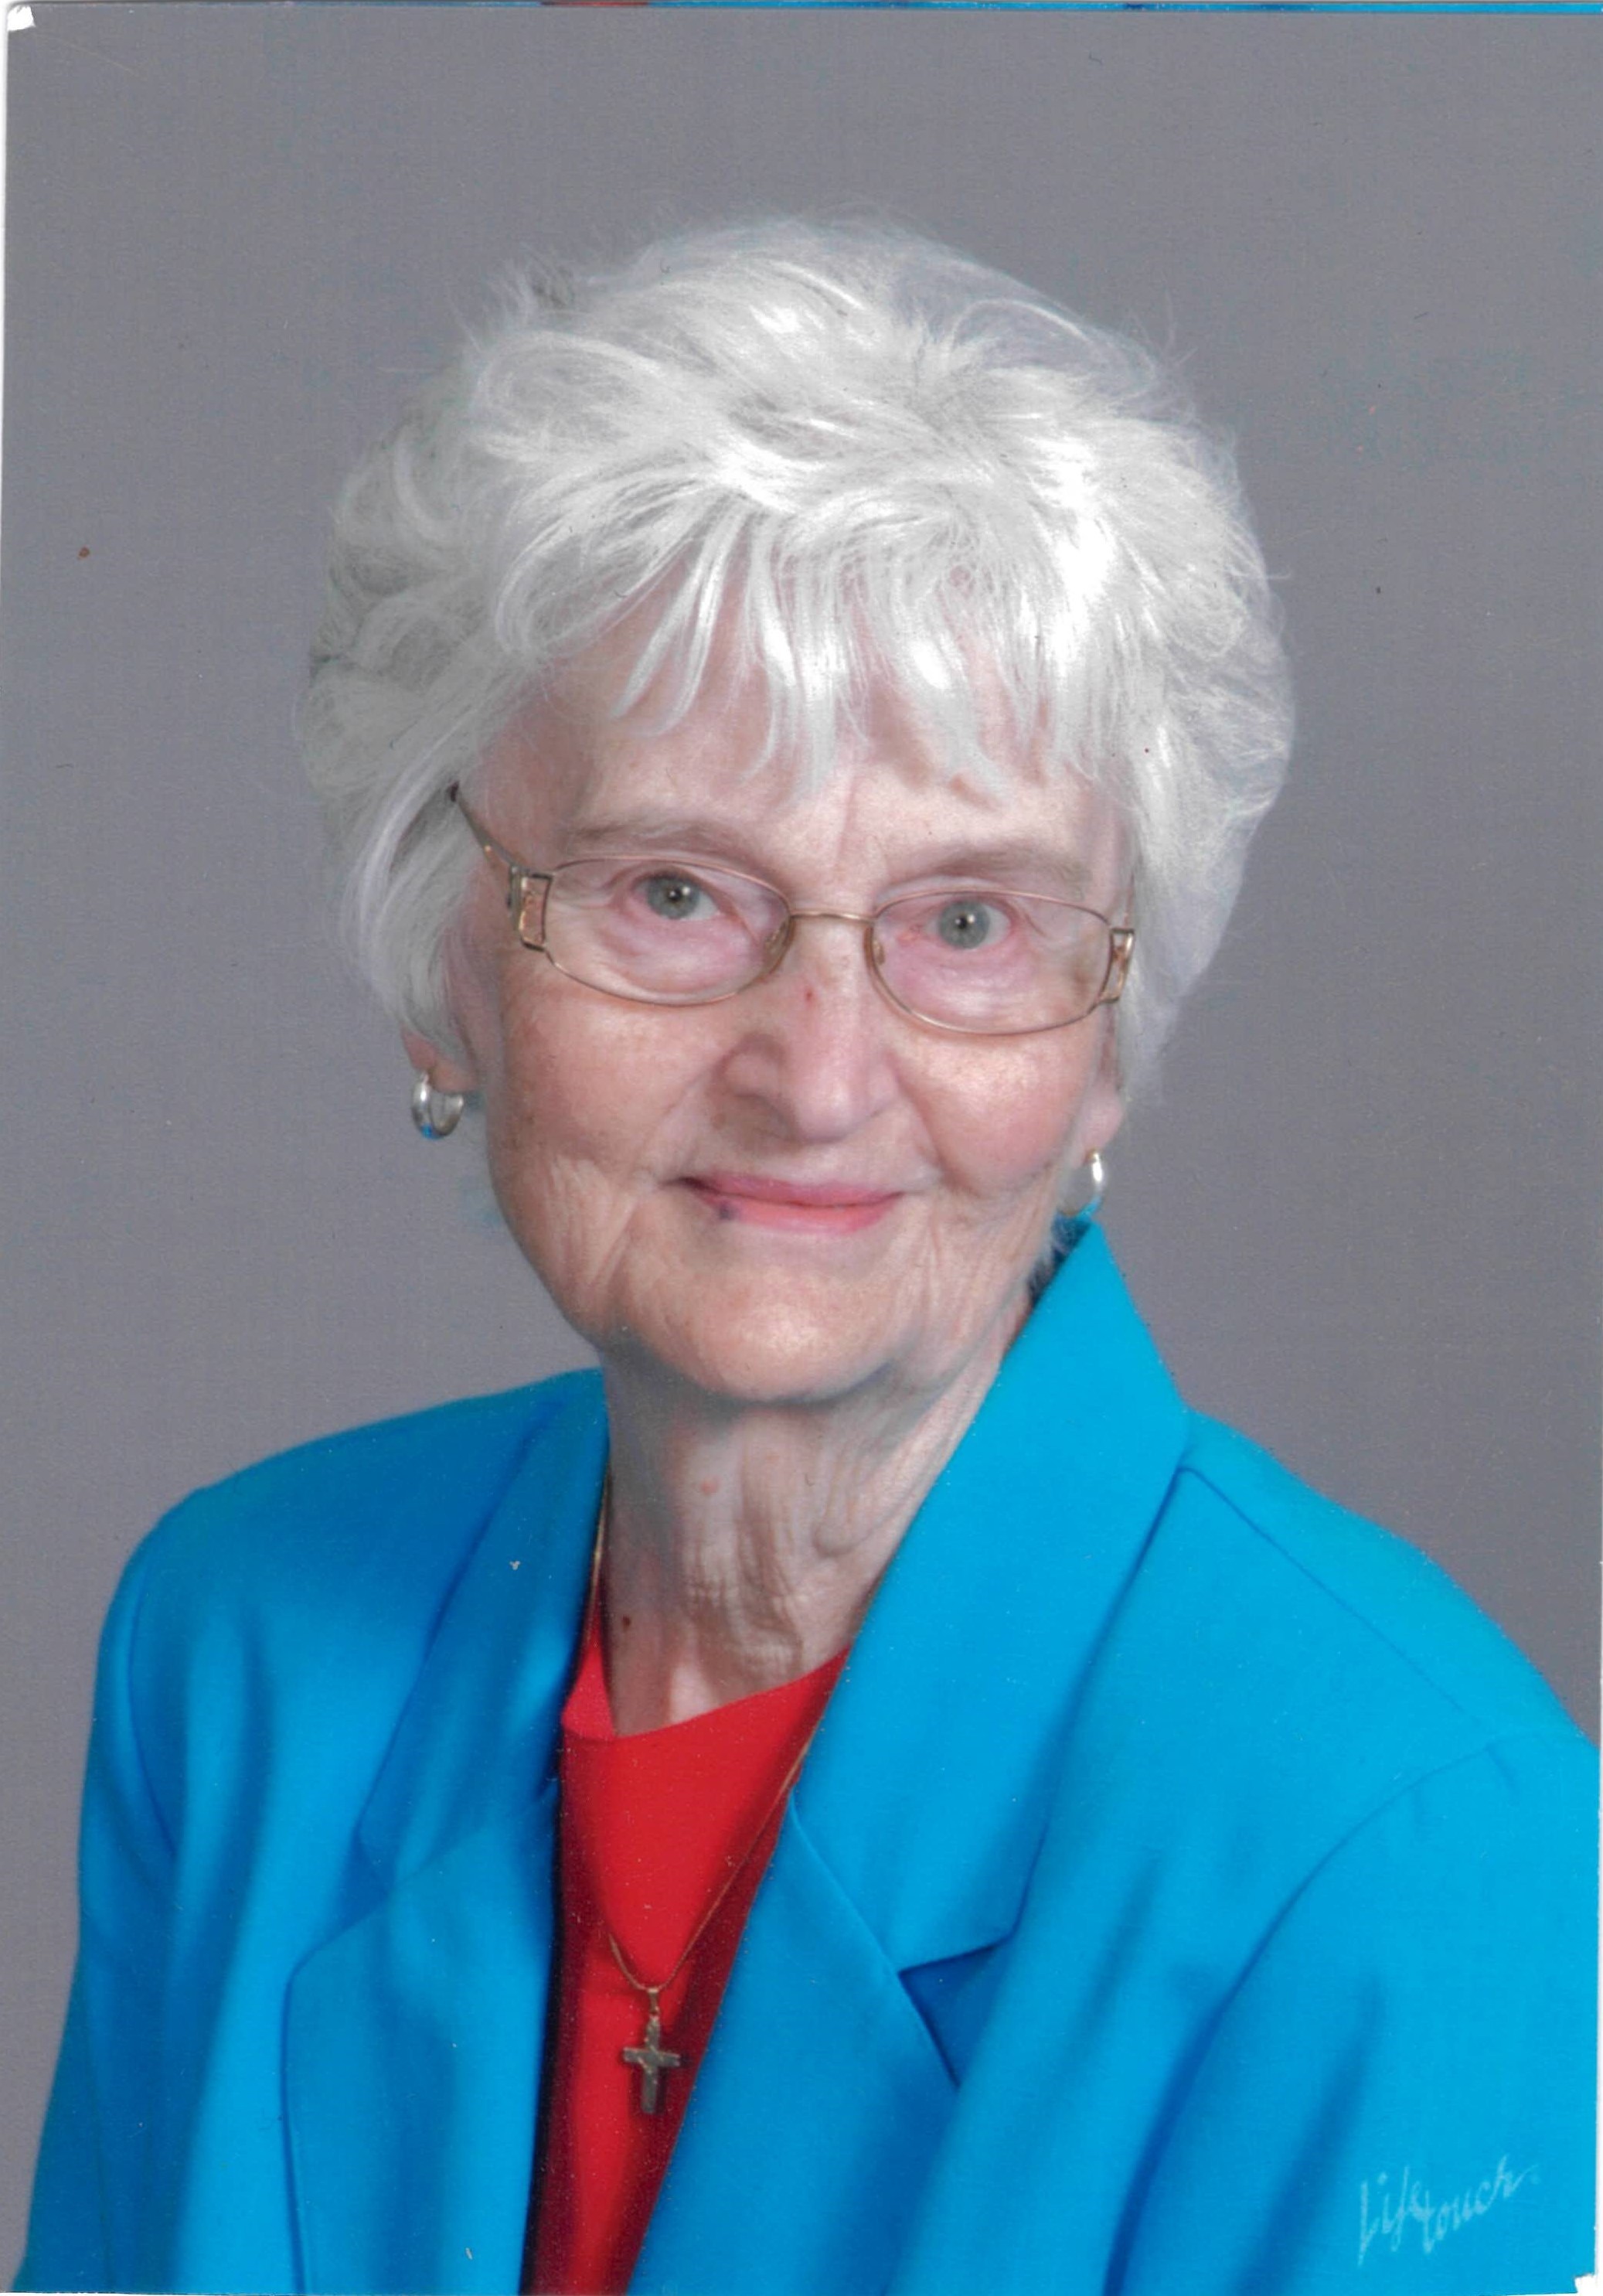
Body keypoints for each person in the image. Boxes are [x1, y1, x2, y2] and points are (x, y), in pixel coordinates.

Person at [18, 220, 1594, 2296]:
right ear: (447, 963)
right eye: (675, 891)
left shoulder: (1406, 1845)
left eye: (967, 923)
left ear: (1104, 1041)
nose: (819, 1075)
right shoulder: (242, 1651)